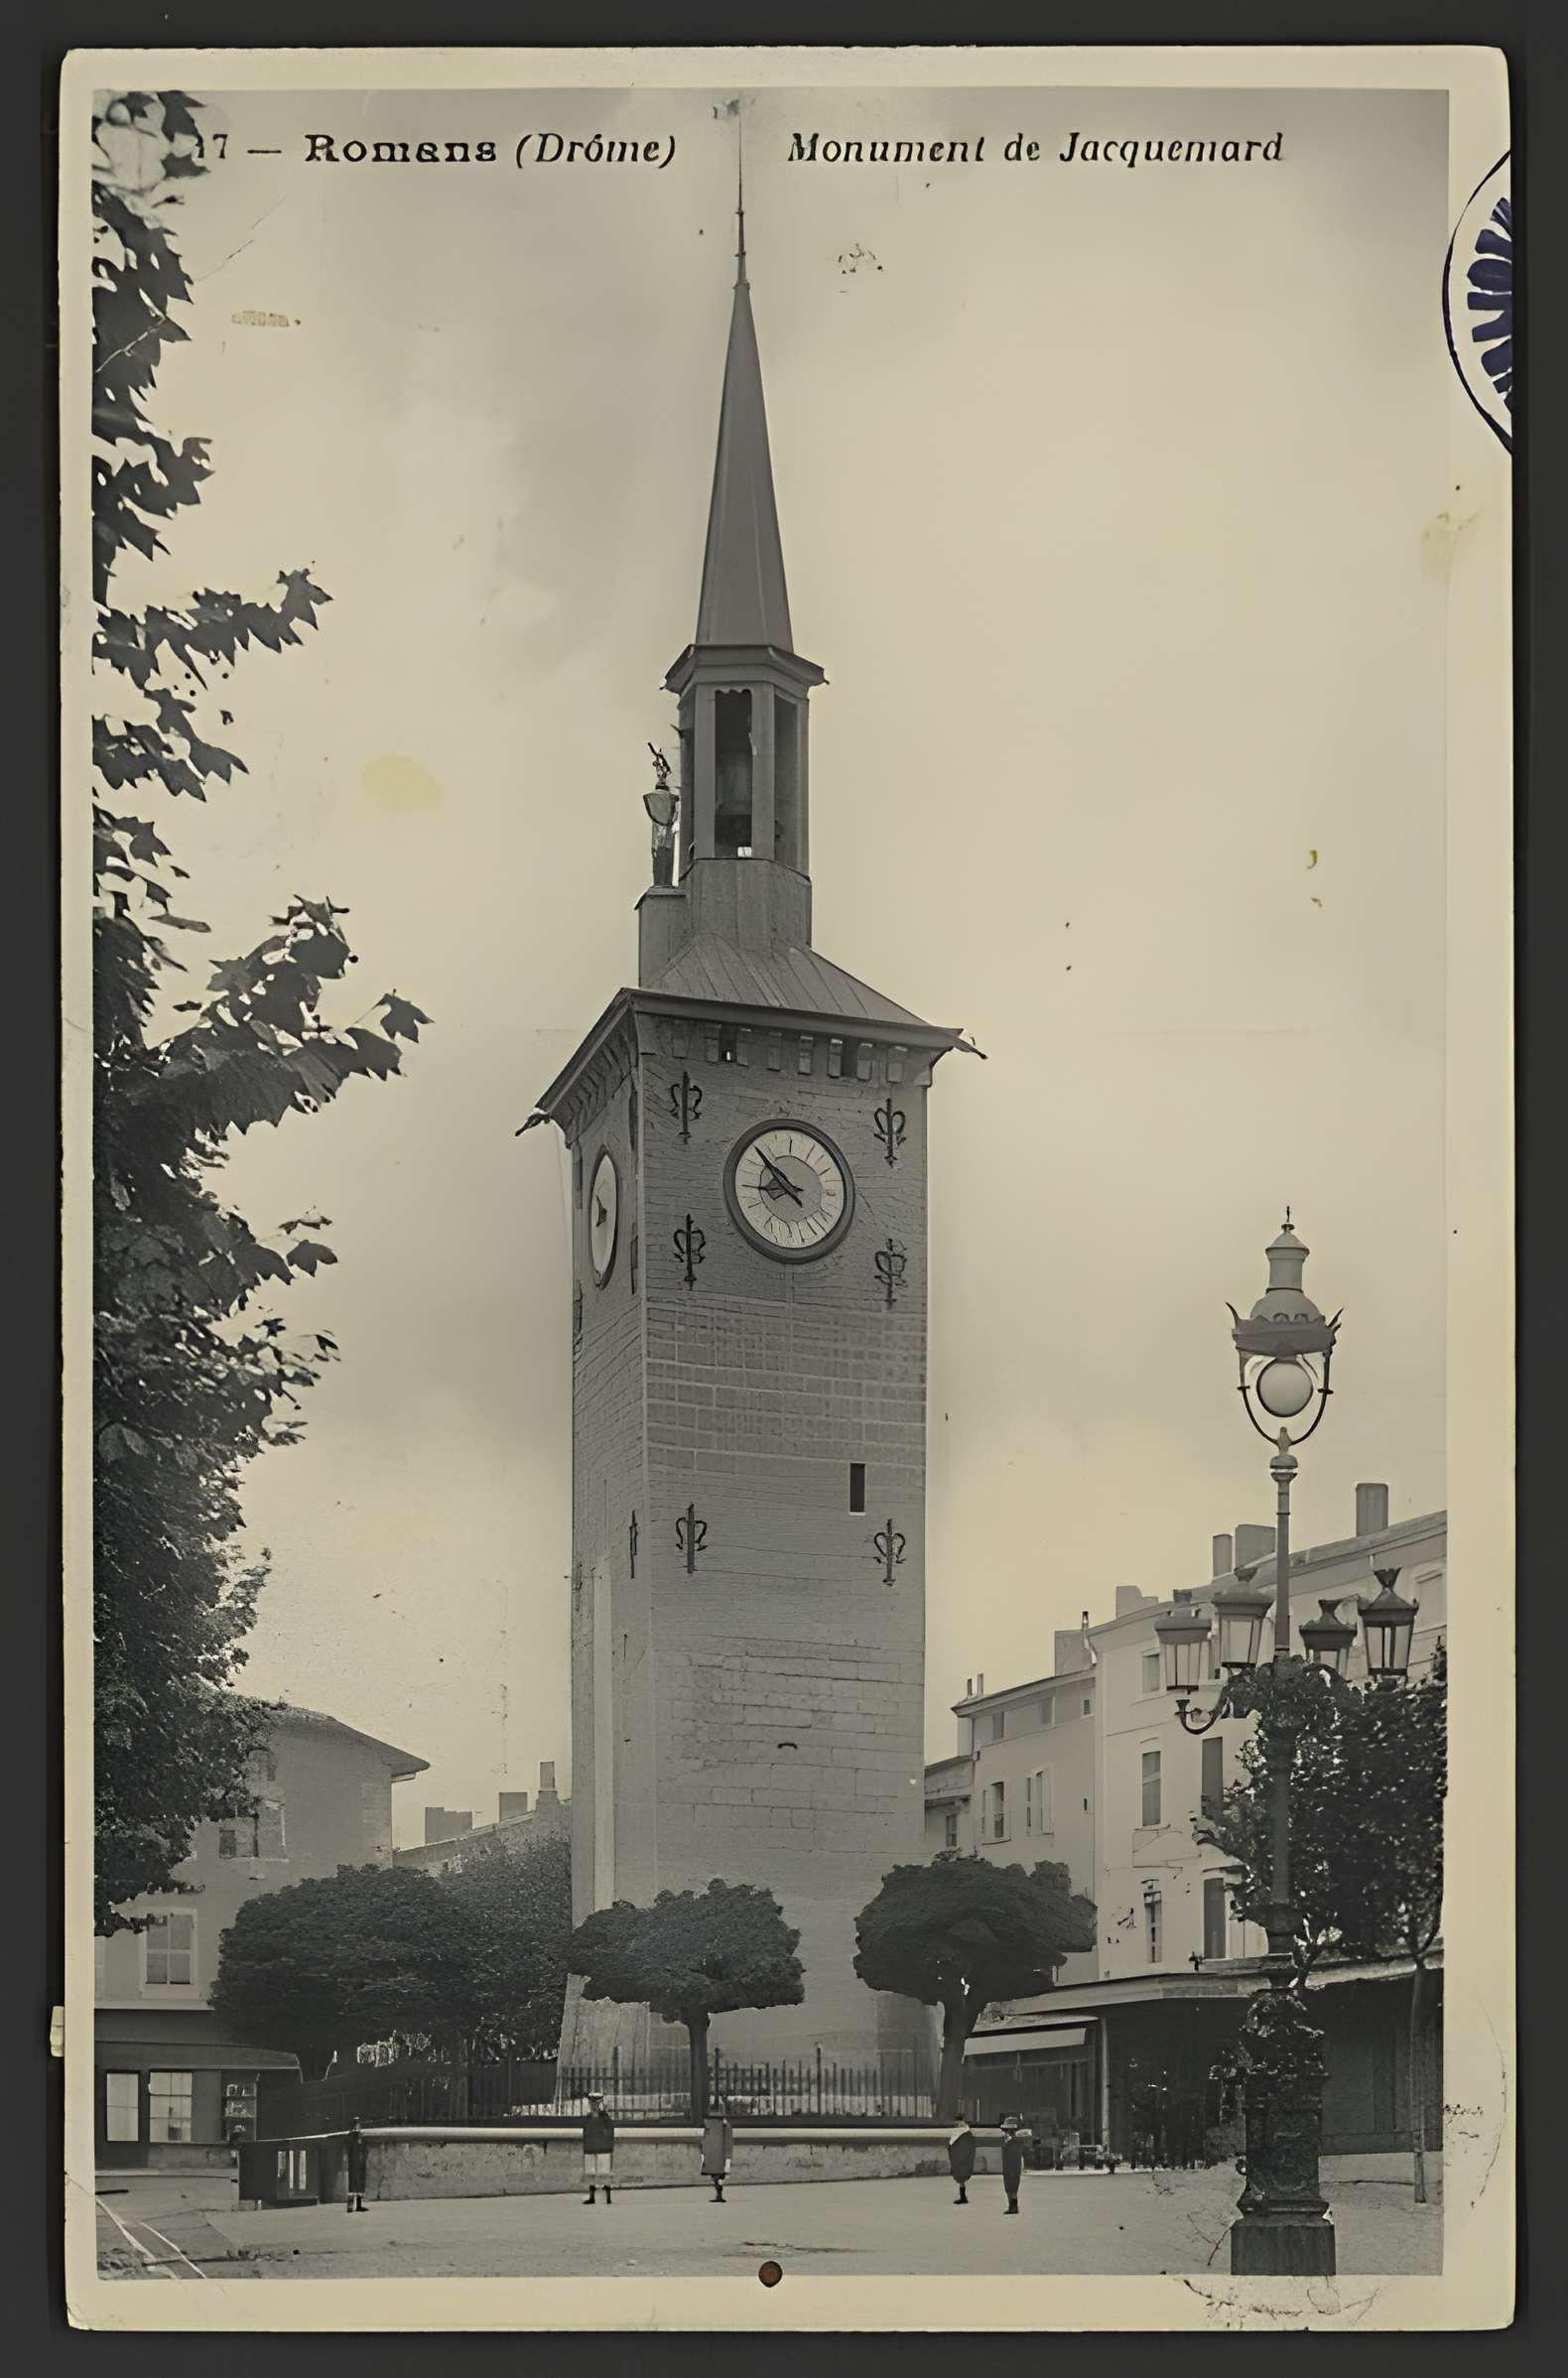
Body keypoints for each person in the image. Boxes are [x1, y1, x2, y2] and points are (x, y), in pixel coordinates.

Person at [583, 2090, 615, 2206]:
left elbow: (610, 2133)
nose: (593, 2105)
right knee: (590, 2172)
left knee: (604, 2172)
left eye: (596, 2103)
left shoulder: (605, 2118)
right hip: (591, 2148)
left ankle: (608, 2197)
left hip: (603, 2148)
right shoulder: (588, 2117)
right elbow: (585, 2133)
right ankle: (592, 2197)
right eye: (592, 2103)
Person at [701, 2096, 734, 2202]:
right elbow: (728, 2142)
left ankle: (719, 2192)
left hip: (713, 2155)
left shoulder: (709, 2124)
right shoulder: (724, 2125)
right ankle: (719, 2192)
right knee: (719, 2175)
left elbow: (704, 2140)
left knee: (717, 2175)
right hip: (719, 2156)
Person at [999, 2112, 1032, 2214]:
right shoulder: (1009, 2140)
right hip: (1008, 2166)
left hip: (1013, 2166)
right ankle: (1011, 2206)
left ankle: (1013, 2207)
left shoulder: (1016, 2141)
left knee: (1012, 2187)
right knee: (1008, 2187)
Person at [947, 2116, 977, 2206]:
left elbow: (967, 2146)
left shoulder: (965, 2133)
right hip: (960, 2157)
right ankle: (963, 2197)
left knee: (961, 2176)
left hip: (963, 2157)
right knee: (961, 2179)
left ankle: (963, 2197)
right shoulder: (961, 2131)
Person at [345, 2116, 367, 2214]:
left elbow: (363, 2148)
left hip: (359, 2162)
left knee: (359, 2183)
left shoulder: (360, 2136)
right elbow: (349, 2149)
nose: (359, 2126)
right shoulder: (351, 2136)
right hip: (353, 2162)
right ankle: (350, 2206)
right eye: (357, 2124)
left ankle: (358, 2205)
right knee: (352, 2183)